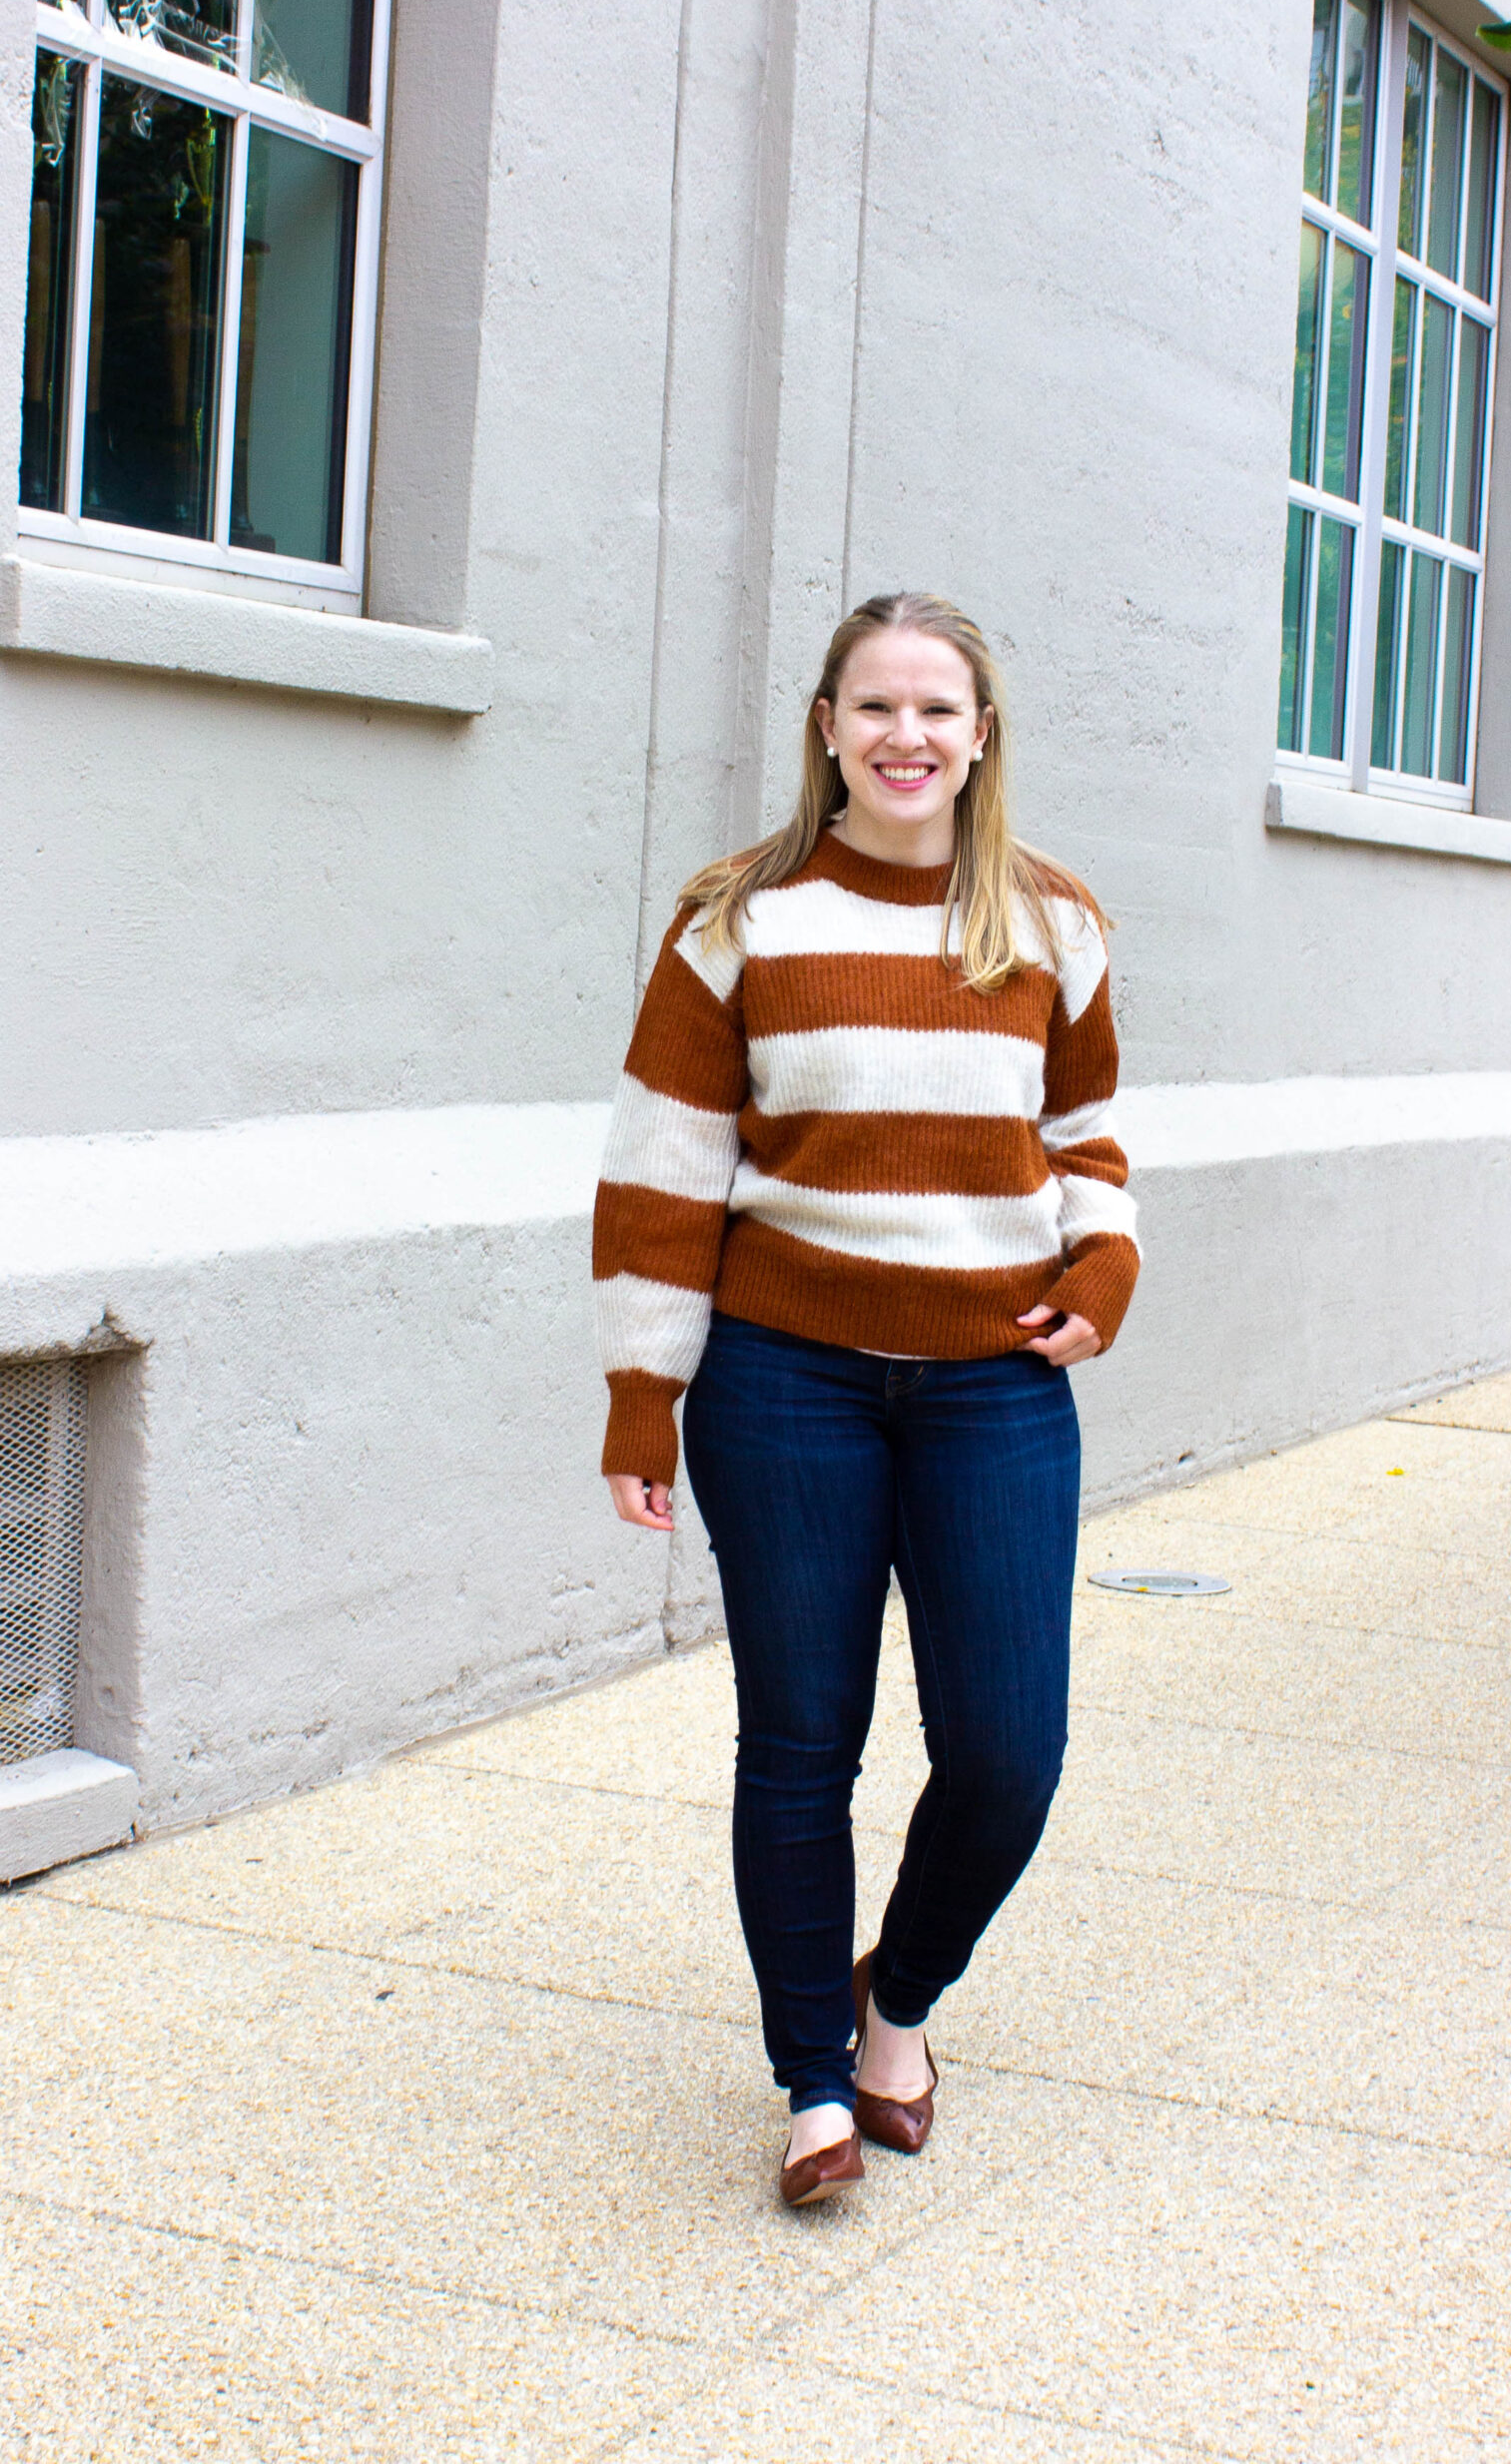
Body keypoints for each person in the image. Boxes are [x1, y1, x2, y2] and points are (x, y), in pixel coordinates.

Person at [594, 591, 1138, 2205]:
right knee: (800, 1744)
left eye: (938, 710)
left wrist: (1102, 1275)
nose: (908, 737)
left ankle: (896, 1995)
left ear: (982, 738)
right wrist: (642, 1395)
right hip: (784, 1385)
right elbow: (663, 1172)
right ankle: (814, 2084)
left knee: (1006, 1756)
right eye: (876, 706)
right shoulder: (738, 922)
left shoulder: (1051, 924)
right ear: (827, 727)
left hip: (993, 1389)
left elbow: (1090, 1140)